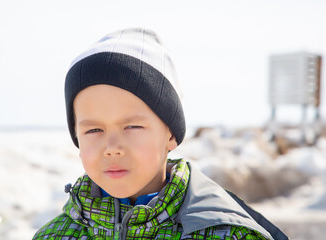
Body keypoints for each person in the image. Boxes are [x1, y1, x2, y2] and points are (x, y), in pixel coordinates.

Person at [33, 28, 288, 240]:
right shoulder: (55, 235)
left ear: (170, 134)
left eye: (131, 126)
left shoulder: (225, 233)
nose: (112, 147)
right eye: (94, 129)